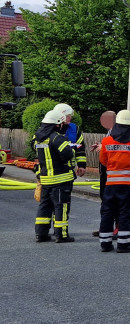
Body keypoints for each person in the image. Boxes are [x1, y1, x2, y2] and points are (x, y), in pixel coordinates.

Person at [99, 110, 130, 253]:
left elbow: (103, 161)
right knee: (125, 212)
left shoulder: (106, 141)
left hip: (111, 184)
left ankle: (105, 243)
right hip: (128, 185)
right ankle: (123, 244)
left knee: (107, 212)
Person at [33, 109, 77, 243]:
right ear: (57, 124)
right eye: (62, 123)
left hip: (45, 179)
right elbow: (68, 153)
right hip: (61, 179)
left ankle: (41, 234)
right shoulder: (57, 137)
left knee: (44, 206)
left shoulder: (37, 138)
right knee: (61, 206)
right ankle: (61, 235)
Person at [54, 103, 87, 177]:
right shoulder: (50, 128)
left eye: (70, 116)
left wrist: (81, 165)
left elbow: (80, 148)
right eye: (67, 116)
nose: (70, 118)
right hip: (53, 168)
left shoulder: (75, 129)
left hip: (69, 169)